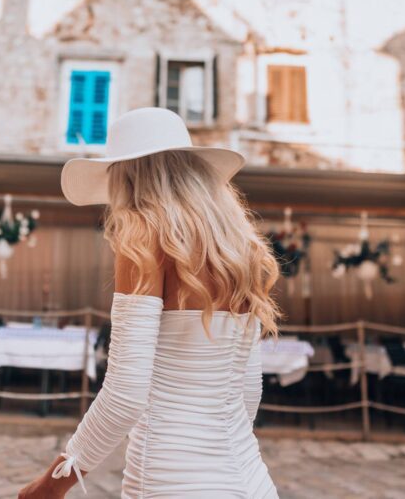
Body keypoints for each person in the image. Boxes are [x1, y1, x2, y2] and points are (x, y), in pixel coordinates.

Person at [19, 107, 281, 498]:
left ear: (126, 176)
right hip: (250, 479)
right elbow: (248, 390)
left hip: (170, 480)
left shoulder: (143, 237)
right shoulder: (240, 250)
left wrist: (52, 484)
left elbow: (125, 394)